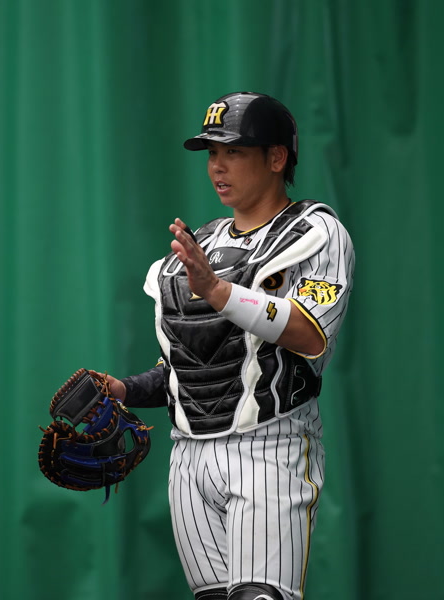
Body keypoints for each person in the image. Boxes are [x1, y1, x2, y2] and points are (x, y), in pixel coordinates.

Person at [97, 92, 354, 600]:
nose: (217, 165)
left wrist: (219, 291)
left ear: (277, 157)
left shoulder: (316, 233)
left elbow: (309, 333)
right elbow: (188, 369)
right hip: (188, 459)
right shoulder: (204, 243)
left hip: (269, 447)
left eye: (234, 151)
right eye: (212, 153)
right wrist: (123, 390)